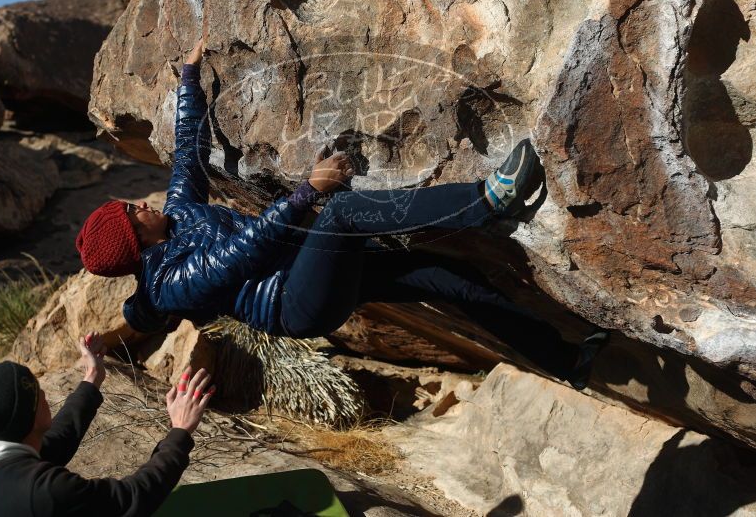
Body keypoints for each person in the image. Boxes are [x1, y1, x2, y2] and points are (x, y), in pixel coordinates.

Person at [76, 39, 607, 390]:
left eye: (130, 202)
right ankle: (489, 200)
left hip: (309, 264)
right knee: (346, 209)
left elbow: (187, 150)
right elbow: (243, 253)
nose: (140, 204)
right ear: (135, 242)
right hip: (296, 303)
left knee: (453, 279)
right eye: (132, 212)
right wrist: (308, 190)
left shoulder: (178, 215)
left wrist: (188, 81)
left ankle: (566, 363)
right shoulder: (171, 283)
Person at [0, 332, 215, 516]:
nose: (45, 394)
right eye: (37, 393)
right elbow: (131, 499)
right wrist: (180, 431)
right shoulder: (45, 493)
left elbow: (55, 441)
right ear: (28, 419)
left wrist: (93, 377)